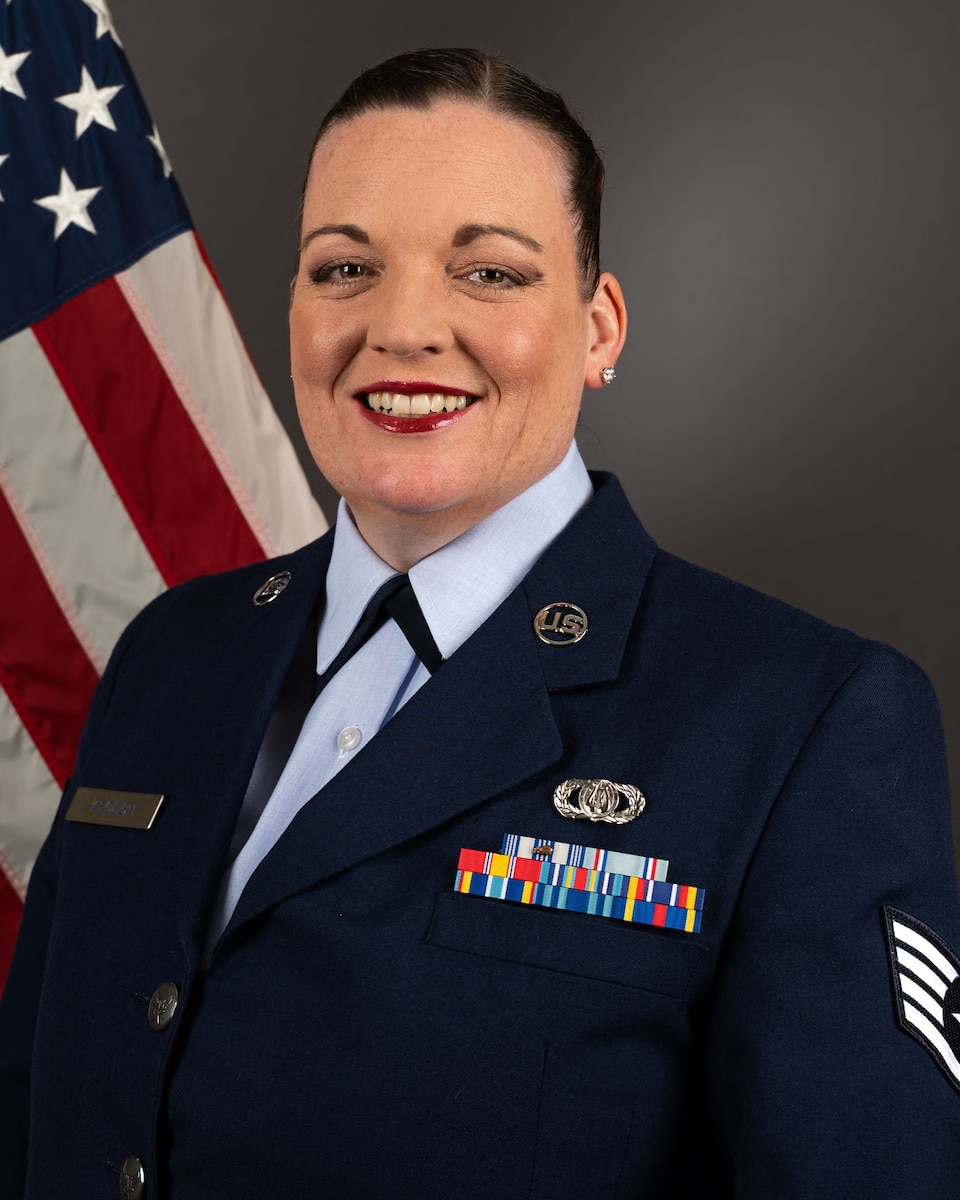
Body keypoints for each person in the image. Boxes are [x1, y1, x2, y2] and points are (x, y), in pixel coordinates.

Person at [2, 47, 959, 1199]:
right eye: (345, 266)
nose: (402, 328)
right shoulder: (172, 652)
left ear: (600, 328)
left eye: (490, 274)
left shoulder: (802, 723)